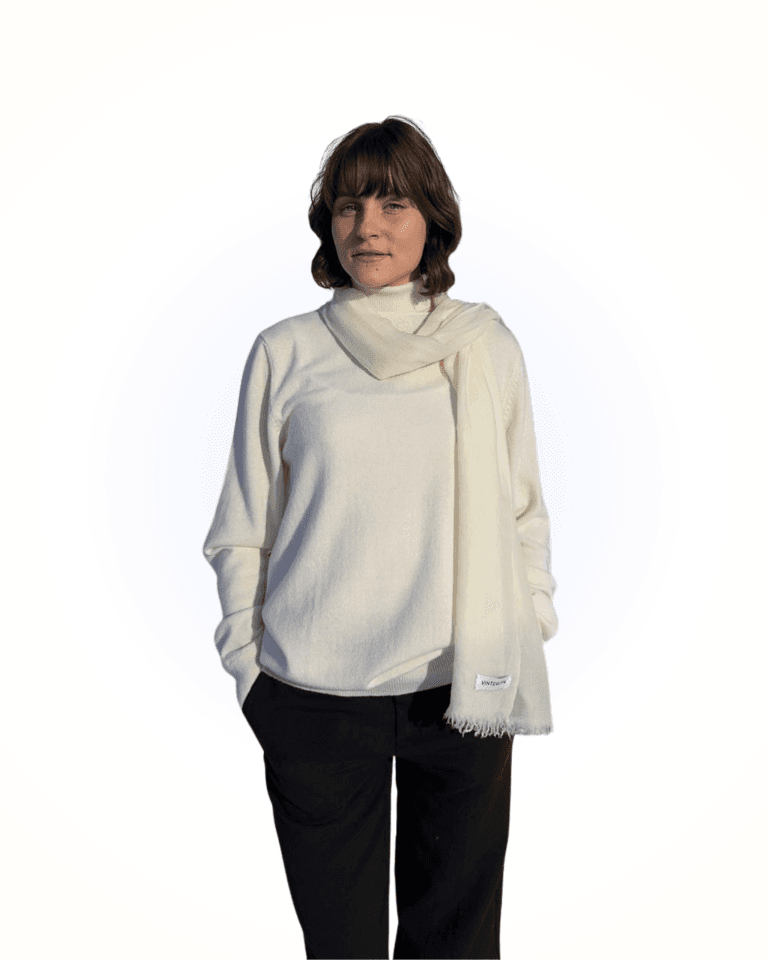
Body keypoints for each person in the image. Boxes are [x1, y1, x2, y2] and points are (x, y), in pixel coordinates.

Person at [202, 115, 558, 960]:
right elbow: (242, 529)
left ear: (432, 219)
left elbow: (524, 510)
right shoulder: (286, 352)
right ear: (328, 223)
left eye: (393, 204)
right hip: (312, 696)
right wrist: (251, 673)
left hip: (462, 690)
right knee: (343, 947)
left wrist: (527, 624)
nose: (368, 226)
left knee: (456, 946)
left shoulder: (483, 345)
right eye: (349, 206)